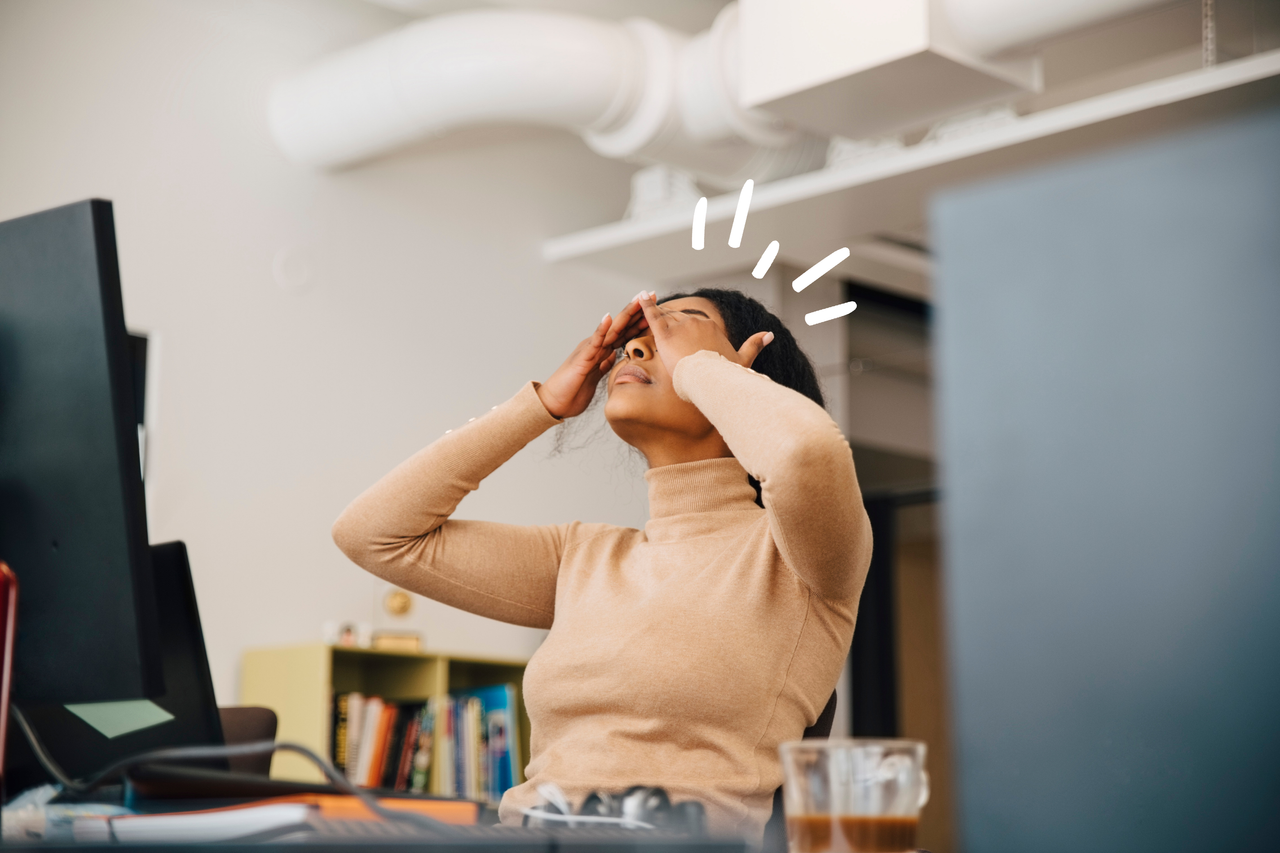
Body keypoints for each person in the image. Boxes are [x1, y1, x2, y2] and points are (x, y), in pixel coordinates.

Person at [332, 288, 872, 838]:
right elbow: (373, 535)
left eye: (674, 329)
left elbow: (806, 452)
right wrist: (539, 405)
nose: (636, 348)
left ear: (744, 371)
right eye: (635, 338)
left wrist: (703, 372)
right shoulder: (583, 556)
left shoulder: (800, 557)